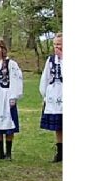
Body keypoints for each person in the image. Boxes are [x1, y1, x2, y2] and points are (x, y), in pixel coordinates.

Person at [39, 33, 63, 162]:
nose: (56, 47)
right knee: (58, 125)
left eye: (59, 44)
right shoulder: (51, 60)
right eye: (55, 45)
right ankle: (60, 152)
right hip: (55, 94)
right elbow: (46, 77)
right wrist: (45, 94)